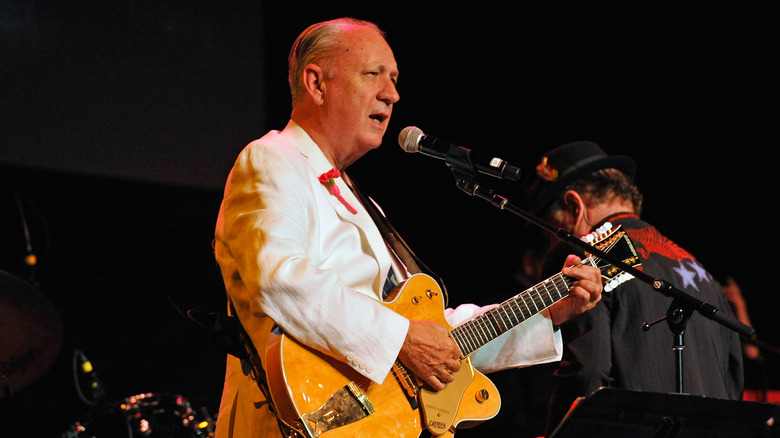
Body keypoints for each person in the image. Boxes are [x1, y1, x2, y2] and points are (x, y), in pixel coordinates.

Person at [212, 18, 603, 438]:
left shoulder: (362, 201)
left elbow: (434, 340)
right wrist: (402, 339)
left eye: (395, 79)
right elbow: (280, 279)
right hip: (294, 421)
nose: (392, 93)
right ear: (316, 82)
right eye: (373, 74)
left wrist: (548, 312)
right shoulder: (272, 158)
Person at [521, 141, 744, 435]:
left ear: (574, 206)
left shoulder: (584, 259)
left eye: (549, 228)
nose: (551, 241)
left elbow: (587, 374)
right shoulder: (702, 273)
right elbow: (734, 379)